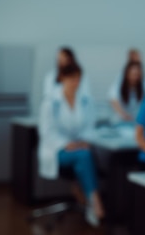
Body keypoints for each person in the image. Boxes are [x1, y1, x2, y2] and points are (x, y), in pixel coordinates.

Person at [37, 63, 104, 226]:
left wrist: (84, 140)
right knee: (84, 156)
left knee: (85, 156)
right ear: (62, 78)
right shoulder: (50, 102)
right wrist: (67, 144)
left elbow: (89, 126)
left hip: (80, 148)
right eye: (72, 79)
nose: (76, 83)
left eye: (78, 79)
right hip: (57, 151)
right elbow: (46, 132)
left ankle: (88, 199)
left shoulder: (86, 101)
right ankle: (94, 201)